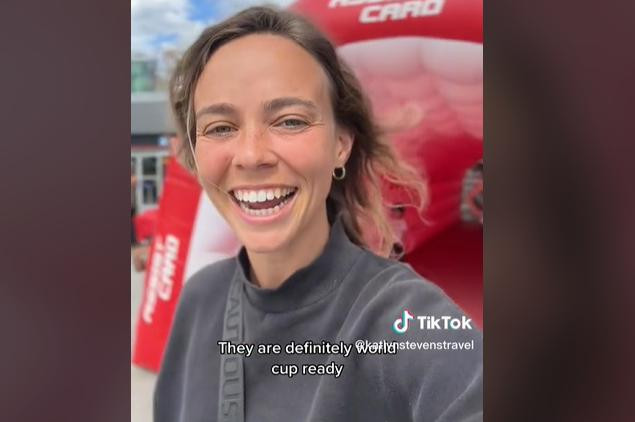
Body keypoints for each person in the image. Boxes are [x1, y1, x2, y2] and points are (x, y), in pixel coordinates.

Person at [154, 6, 482, 422]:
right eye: (220, 127)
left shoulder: (404, 316)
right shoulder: (201, 299)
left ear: (340, 144)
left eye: (289, 121)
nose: (252, 154)